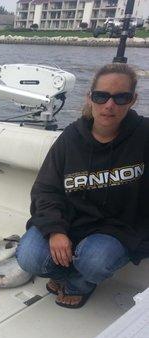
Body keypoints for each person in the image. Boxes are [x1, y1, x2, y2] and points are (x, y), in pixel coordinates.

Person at [16, 63, 149, 309]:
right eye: (101, 96)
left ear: (133, 100)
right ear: (90, 97)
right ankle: (62, 277)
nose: (110, 105)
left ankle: (80, 284)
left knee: (95, 261)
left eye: (121, 97)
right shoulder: (70, 138)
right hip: (69, 220)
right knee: (29, 257)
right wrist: (56, 230)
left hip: (117, 228)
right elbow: (46, 189)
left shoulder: (144, 134)